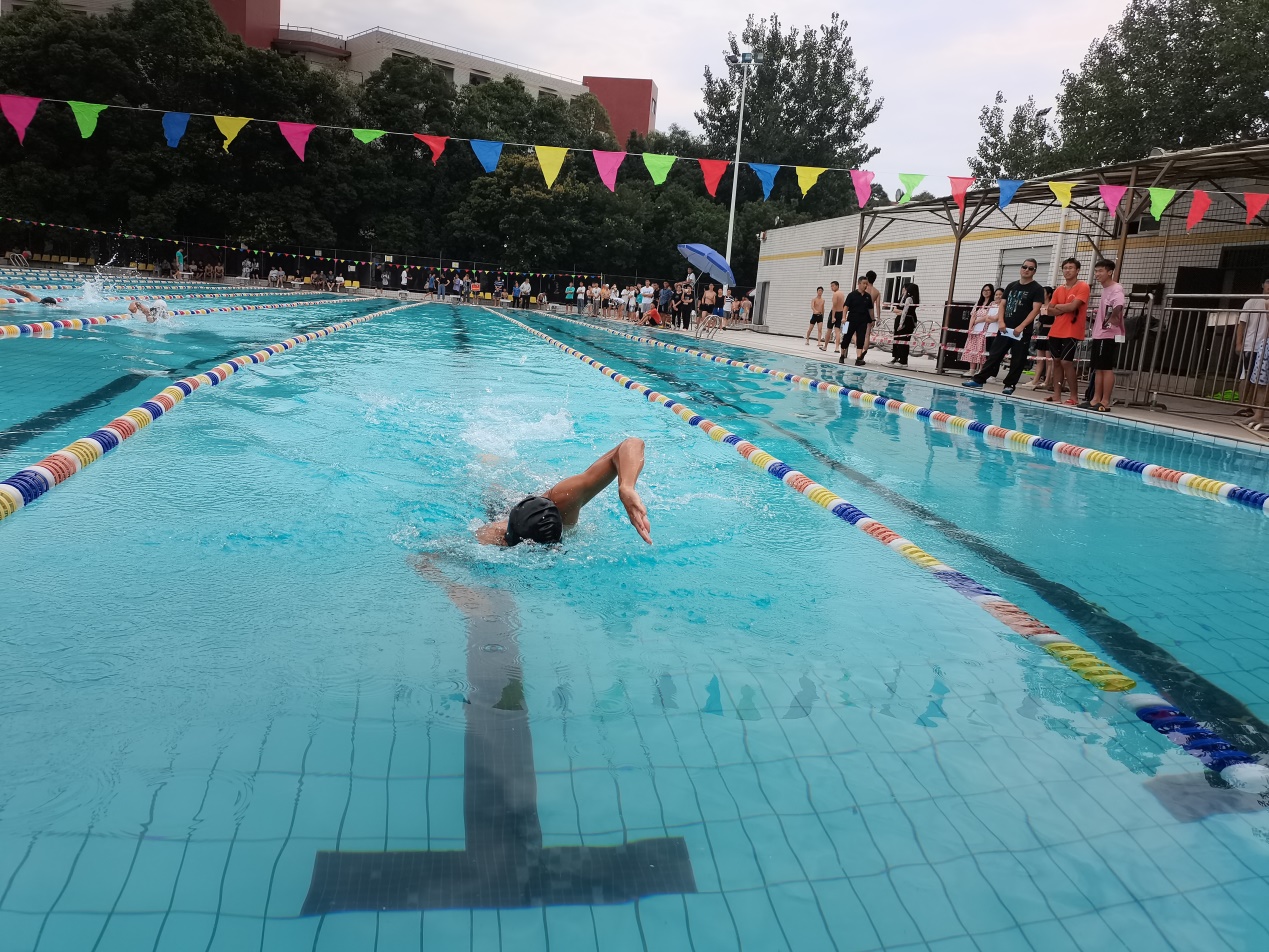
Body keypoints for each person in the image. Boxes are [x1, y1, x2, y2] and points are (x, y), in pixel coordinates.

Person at [475, 438, 652, 546]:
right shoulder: (492, 536)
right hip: (506, 510)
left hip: (543, 502)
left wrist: (626, 487)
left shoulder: (564, 501)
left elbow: (632, 444)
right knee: (492, 482)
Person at [963, 259, 1046, 395]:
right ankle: (979, 380)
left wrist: (1022, 326)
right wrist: (1001, 322)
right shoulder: (1011, 286)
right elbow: (1002, 304)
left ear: (1034, 271)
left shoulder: (1036, 289)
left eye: (1030, 268)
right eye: (1024, 267)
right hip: (1005, 328)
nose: (1026, 270)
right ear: (1020, 268)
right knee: (995, 354)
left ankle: (1010, 384)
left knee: (1018, 358)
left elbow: (1035, 309)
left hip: (1022, 331)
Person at [1043, 259, 1091, 405]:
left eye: (1071, 268)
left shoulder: (1083, 286)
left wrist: (1058, 307)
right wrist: (1063, 307)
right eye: (1065, 268)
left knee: (1066, 362)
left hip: (1072, 330)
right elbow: (1048, 311)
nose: (1067, 270)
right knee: (1056, 362)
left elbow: (1073, 307)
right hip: (1056, 330)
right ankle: (1057, 395)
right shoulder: (1059, 289)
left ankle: (1074, 396)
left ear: (1077, 270)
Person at [1084, 259, 1125, 412]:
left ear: (1109, 272)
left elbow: (1119, 304)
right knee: (1098, 368)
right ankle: (1095, 399)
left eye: (1100, 271)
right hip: (1100, 333)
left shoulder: (1116, 288)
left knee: (1106, 368)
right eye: (1096, 271)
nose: (1097, 274)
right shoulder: (1105, 289)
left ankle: (1105, 400)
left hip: (1108, 334)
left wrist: (1113, 317)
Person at [1236, 277, 1269, 429]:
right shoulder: (1252, 302)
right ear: (1262, 285)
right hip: (1254, 345)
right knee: (1250, 376)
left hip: (1264, 344)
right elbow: (1242, 323)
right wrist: (1239, 343)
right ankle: (1245, 406)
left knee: (1261, 380)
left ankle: (1255, 409)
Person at [963, 284, 996, 377]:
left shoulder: (992, 304)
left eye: (988, 290)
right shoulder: (978, 303)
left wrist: (977, 321)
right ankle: (972, 370)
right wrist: (970, 328)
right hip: (975, 330)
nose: (986, 292)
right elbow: (973, 316)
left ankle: (981, 370)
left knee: (982, 349)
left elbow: (988, 316)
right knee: (973, 348)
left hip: (985, 329)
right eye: (984, 290)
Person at [840, 277, 873, 365]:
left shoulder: (868, 296)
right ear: (859, 284)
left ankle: (858, 358)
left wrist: (872, 319)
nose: (865, 285)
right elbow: (846, 307)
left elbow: (870, 309)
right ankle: (842, 355)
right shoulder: (852, 295)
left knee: (861, 339)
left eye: (866, 284)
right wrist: (844, 317)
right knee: (846, 338)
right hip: (851, 319)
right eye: (864, 283)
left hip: (863, 321)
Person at [888, 282, 919, 365]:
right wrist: (900, 312)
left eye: (905, 288)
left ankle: (903, 360)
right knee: (897, 339)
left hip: (906, 321)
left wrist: (901, 323)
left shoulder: (909, 299)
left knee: (903, 340)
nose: (903, 289)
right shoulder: (903, 298)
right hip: (901, 320)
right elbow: (895, 309)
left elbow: (905, 312)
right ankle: (897, 357)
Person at [821, 281, 845, 352]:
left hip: (835, 313)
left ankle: (825, 346)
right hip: (841, 312)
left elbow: (834, 306)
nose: (832, 287)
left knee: (829, 330)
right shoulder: (842, 294)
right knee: (837, 331)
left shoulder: (835, 294)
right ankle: (837, 348)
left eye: (833, 286)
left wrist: (833, 316)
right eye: (831, 286)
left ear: (837, 286)